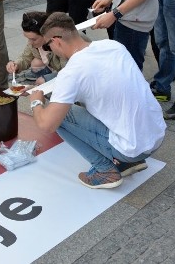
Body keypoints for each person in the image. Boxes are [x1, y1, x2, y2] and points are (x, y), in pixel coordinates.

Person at [28, 12, 166, 189]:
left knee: (55, 115)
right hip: (156, 135)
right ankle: (122, 160)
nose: (50, 50)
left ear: (56, 41)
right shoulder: (113, 46)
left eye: (48, 46)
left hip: (132, 149)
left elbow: (47, 125)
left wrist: (36, 101)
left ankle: (105, 171)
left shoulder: (72, 72)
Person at [6, 11, 63, 85]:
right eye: (28, 39)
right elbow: (25, 57)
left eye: (33, 39)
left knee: (42, 81)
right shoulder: (35, 43)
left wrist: (47, 79)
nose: (30, 43)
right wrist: (16, 64)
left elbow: (71, 73)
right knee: (36, 63)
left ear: (46, 34)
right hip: (57, 69)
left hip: (70, 76)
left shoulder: (61, 45)